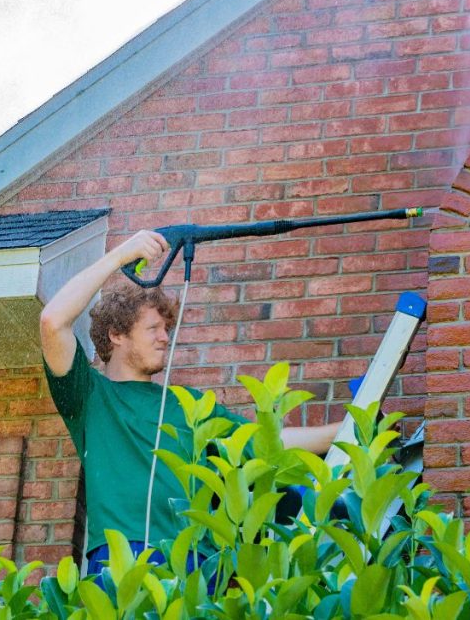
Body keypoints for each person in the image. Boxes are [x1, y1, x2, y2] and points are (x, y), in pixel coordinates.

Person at [39, 229, 340, 574]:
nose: (165, 337)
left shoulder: (189, 405)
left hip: (196, 563)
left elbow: (267, 442)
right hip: (119, 560)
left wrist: (344, 431)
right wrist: (121, 255)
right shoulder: (90, 397)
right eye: (153, 329)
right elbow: (52, 321)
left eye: (166, 329)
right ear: (117, 335)